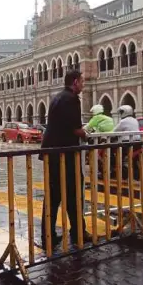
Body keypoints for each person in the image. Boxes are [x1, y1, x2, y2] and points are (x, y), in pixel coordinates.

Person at [40, 70, 92, 250]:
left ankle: (48, 235)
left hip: (51, 152)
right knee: (73, 194)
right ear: (75, 82)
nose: (83, 85)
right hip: (64, 154)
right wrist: (87, 135)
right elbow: (76, 129)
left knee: (53, 197)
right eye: (82, 81)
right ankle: (78, 233)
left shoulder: (57, 97)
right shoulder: (71, 99)